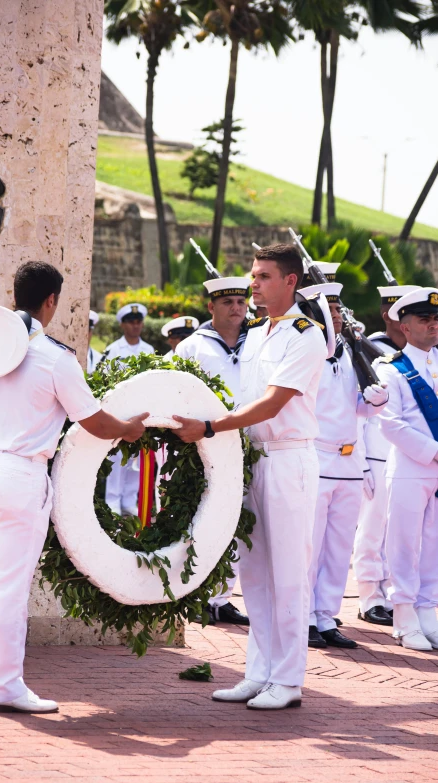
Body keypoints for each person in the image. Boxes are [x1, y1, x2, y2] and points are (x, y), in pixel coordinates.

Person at [0, 262, 148, 714]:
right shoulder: (55, 357)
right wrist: (129, 428)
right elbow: (94, 421)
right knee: (8, 586)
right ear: (51, 301)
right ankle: (4, 685)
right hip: (20, 474)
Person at [174, 244, 327, 710]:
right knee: (254, 573)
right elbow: (239, 398)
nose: (252, 284)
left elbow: (273, 403)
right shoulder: (258, 333)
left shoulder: (306, 334)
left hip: (287, 458)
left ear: (290, 282)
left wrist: (209, 428)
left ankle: (288, 679)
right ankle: (258, 672)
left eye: (262, 276)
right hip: (253, 457)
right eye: (253, 275)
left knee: (288, 573)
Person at [299, 280, 389, 650]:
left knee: (337, 546)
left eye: (338, 312)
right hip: (318, 456)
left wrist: (376, 401)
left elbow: (358, 407)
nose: (338, 318)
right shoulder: (307, 354)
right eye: (331, 312)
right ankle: (303, 615)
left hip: (350, 461)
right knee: (311, 544)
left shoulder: (351, 353)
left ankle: (325, 615)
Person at [176, 277, 251, 626]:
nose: (236, 308)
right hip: (204, 443)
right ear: (211, 307)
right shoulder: (192, 347)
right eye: (227, 302)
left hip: (250, 443)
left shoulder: (259, 342)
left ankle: (222, 597)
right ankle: (197, 594)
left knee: (239, 523)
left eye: (241, 301)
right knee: (203, 518)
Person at [375, 287, 438, 651]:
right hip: (411, 468)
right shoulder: (390, 368)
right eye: (424, 320)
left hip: (434, 471)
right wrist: (434, 452)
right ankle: (403, 616)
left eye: (436, 320)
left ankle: (428, 612)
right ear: (406, 325)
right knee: (403, 544)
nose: (432, 326)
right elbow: (391, 424)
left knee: (433, 545)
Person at [353, 284, 419, 625]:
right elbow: (363, 410)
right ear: (389, 317)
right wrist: (360, 460)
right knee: (372, 531)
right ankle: (369, 596)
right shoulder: (373, 353)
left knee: (405, 535)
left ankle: (395, 595)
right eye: (399, 315)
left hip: (411, 460)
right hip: (378, 454)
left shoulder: (422, 356)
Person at [102, 303, 154, 516]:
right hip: (120, 411)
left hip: (141, 411)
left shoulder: (149, 350)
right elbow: (105, 380)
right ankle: (112, 501)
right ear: (123, 325)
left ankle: (129, 500)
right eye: (131, 322)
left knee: (136, 461)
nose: (135, 326)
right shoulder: (114, 350)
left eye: (138, 322)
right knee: (116, 459)